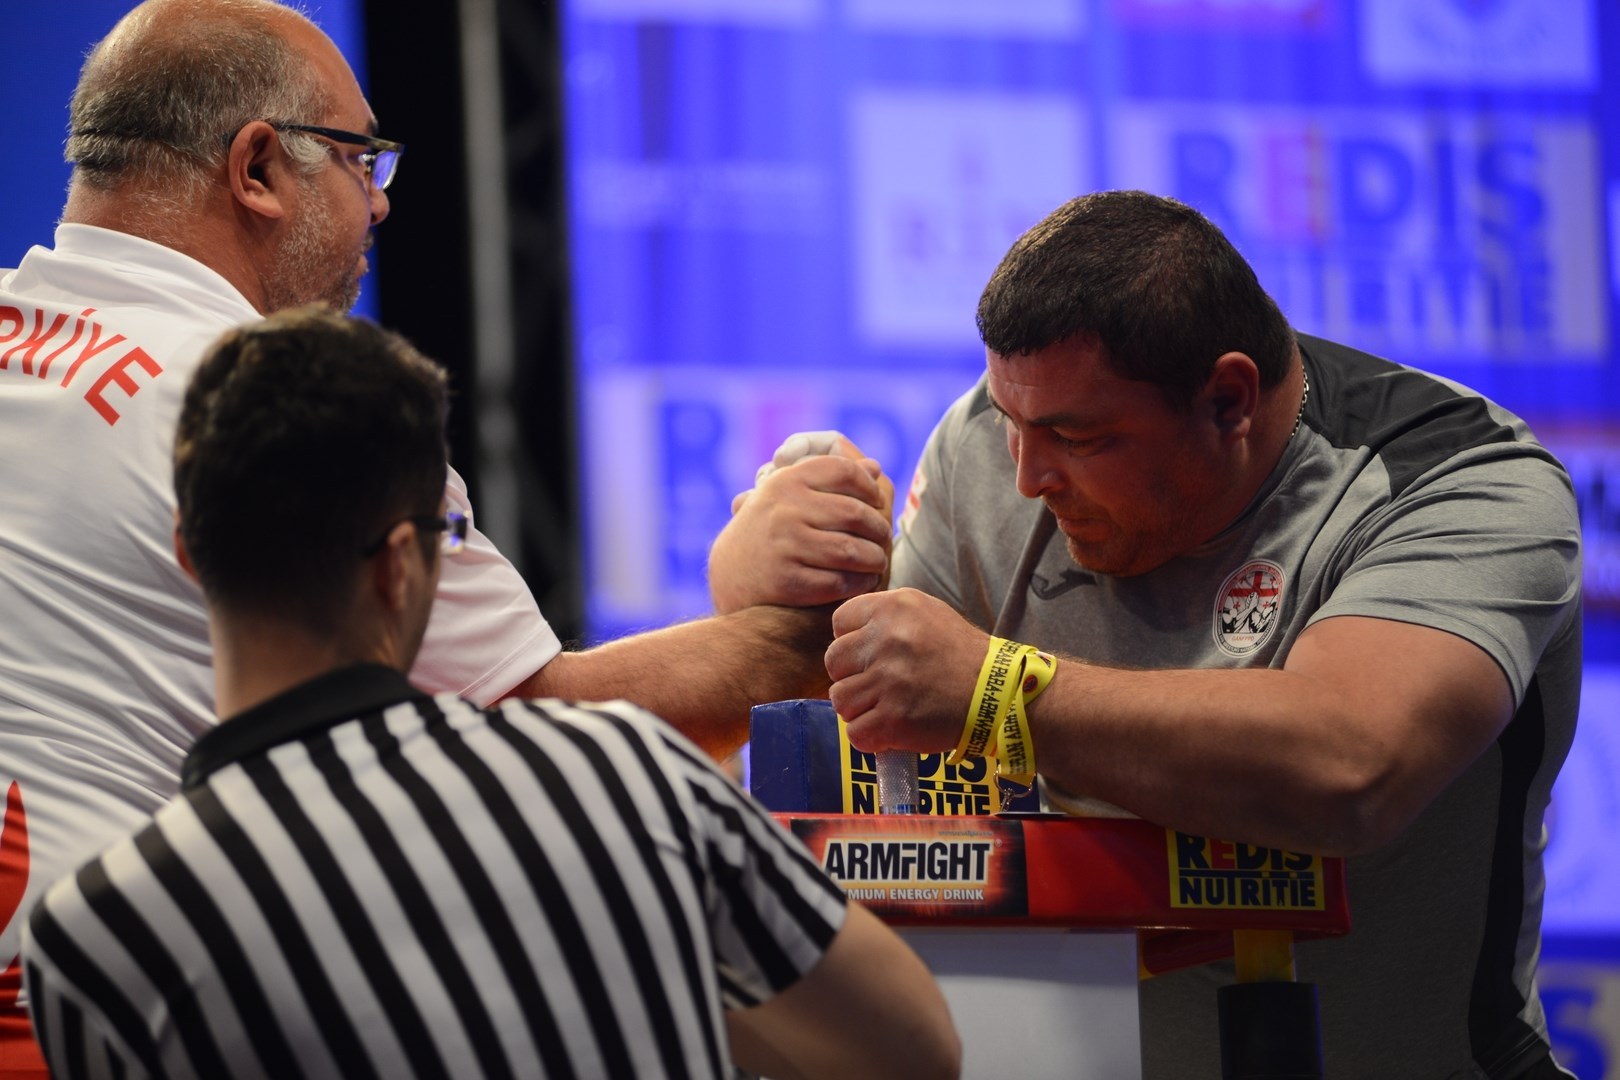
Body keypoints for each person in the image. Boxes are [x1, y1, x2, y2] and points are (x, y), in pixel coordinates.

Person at [0, 0, 893, 1063]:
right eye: (359, 161)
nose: (378, 209)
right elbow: (534, 736)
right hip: (132, 1023)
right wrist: (809, 621)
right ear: (257, 170)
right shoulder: (258, 407)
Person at [710, 191, 1581, 1078]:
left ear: (1228, 400)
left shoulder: (1462, 484)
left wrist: (998, 691)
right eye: (1014, 425)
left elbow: (1351, 767)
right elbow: (879, 704)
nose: (1024, 478)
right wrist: (754, 583)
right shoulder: (992, 435)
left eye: (1074, 437)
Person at [18, 307, 957, 1080]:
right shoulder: (628, 772)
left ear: (190, 554)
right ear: (401, 567)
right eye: (450, 531)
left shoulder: (99, 928)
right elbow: (917, 1048)